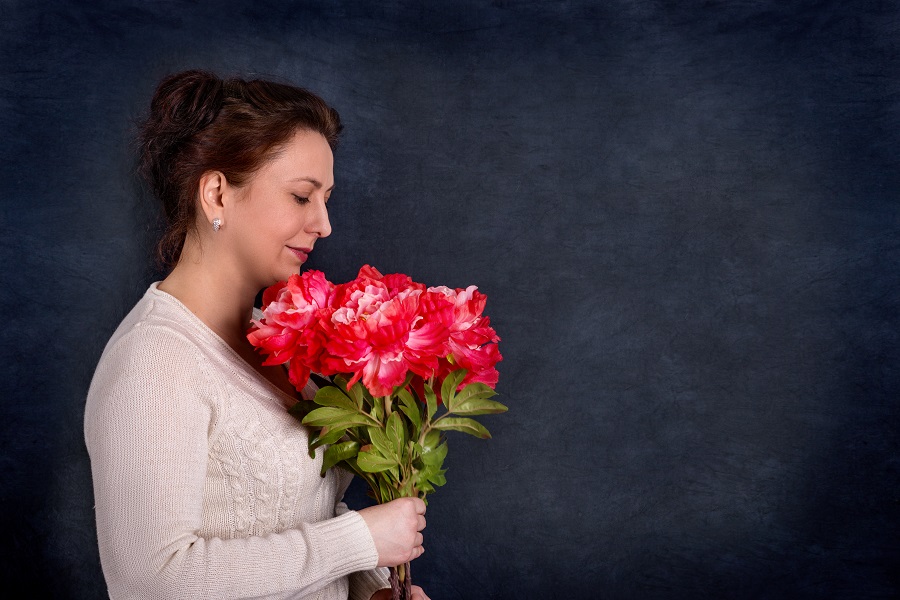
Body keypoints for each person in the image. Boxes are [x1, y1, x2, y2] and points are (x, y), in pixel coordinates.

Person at [84, 69, 431, 600]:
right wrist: (358, 541)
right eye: (301, 197)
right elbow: (150, 582)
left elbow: (292, 512)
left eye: (327, 198)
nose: (324, 224)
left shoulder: (271, 339)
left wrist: (369, 588)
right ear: (217, 194)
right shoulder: (152, 365)